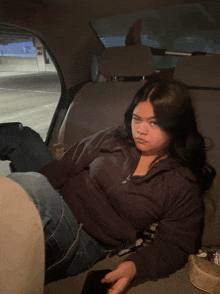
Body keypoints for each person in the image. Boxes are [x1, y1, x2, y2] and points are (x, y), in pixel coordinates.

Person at [7, 76, 215, 294]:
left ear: (176, 127)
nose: (140, 130)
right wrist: (35, 202)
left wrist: (135, 266)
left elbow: (175, 245)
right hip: (56, 205)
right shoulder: (114, 137)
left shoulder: (182, 183)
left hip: (85, 242)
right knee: (21, 144)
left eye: (154, 123)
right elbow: (64, 167)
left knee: (30, 185)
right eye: (136, 119)